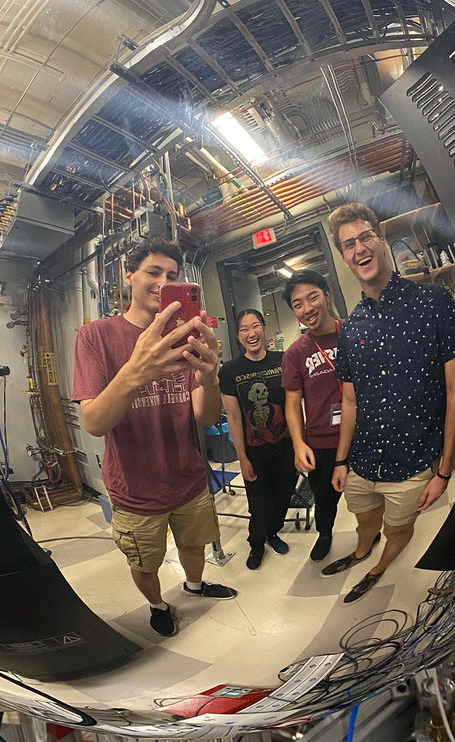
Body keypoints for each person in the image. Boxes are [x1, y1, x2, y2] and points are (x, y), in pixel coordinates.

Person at [70, 238, 237, 638]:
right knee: (145, 562)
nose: (164, 283)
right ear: (129, 276)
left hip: (189, 477)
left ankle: (194, 586)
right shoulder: (96, 336)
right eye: (154, 272)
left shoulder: (186, 337)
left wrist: (210, 378)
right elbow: (93, 421)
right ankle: (158, 605)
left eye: (173, 277)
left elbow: (206, 414)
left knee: (194, 545)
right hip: (135, 488)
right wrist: (136, 371)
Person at [324, 203, 455, 605]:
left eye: (365, 237)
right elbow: (349, 401)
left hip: (414, 461)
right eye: (349, 244)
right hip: (363, 460)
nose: (359, 248)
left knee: (398, 527)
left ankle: (379, 565)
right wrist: (340, 460)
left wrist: (443, 469)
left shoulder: (434, 302)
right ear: (344, 259)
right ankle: (360, 549)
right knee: (363, 518)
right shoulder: (351, 329)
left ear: (381, 242)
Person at [219, 309, 298, 571]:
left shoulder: (283, 359)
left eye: (255, 326)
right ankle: (256, 543)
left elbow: (293, 407)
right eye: (244, 329)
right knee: (259, 505)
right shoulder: (230, 371)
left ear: (264, 328)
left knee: (284, 496)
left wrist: (301, 444)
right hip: (255, 454)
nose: (250, 333)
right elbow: (233, 416)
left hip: (286, 448)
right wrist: (242, 458)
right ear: (238, 335)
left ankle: (272, 532)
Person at [281, 270, 345, 562]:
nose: (307, 308)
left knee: (368, 492)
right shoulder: (295, 353)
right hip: (320, 440)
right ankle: (325, 534)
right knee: (324, 497)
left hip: (361, 434)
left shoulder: (352, 332)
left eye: (312, 297)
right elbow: (292, 404)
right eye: (297, 304)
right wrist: (298, 444)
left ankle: (369, 530)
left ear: (326, 294)